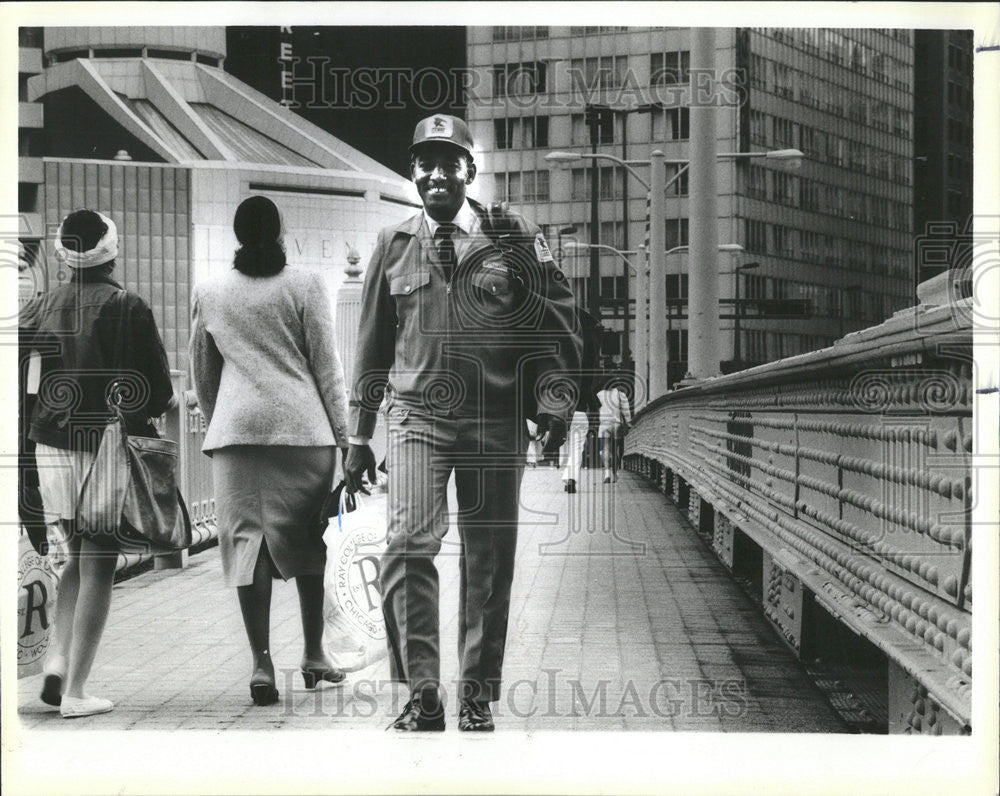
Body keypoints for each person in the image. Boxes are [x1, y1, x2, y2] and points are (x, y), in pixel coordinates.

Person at [344, 115, 581, 732]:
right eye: (424, 162)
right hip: (418, 417)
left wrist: (555, 404)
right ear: (413, 171)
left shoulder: (511, 238)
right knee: (405, 547)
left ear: (470, 171)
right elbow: (371, 349)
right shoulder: (392, 245)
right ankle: (423, 692)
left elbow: (555, 326)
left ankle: (475, 692)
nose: (435, 174)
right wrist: (358, 436)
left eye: (449, 162)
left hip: (495, 419)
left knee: (489, 558)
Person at [190, 196, 350, 706]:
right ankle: (313, 654)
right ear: (280, 233)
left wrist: (223, 419)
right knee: (309, 542)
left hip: (237, 436)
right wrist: (346, 439)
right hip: (305, 433)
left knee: (246, 545)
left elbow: (202, 373)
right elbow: (328, 368)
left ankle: (261, 665)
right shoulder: (305, 285)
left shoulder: (211, 292)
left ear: (238, 235)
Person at [20, 209, 175, 717]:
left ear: (65, 252)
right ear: (112, 249)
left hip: (48, 445)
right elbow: (157, 391)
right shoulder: (126, 305)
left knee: (76, 558)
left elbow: (27, 383)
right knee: (100, 562)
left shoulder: (41, 305)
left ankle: (56, 665)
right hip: (102, 448)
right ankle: (77, 691)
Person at [560, 308, 603, 493]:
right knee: (577, 448)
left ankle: (565, 474)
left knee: (565, 446)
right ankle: (570, 477)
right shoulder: (586, 373)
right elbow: (592, 396)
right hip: (580, 414)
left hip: (562, 413)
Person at [597, 374, 632, 483]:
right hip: (617, 424)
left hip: (604, 425)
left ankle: (607, 473)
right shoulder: (620, 394)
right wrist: (628, 423)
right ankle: (615, 473)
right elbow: (625, 411)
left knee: (605, 448)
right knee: (616, 449)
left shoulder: (599, 395)